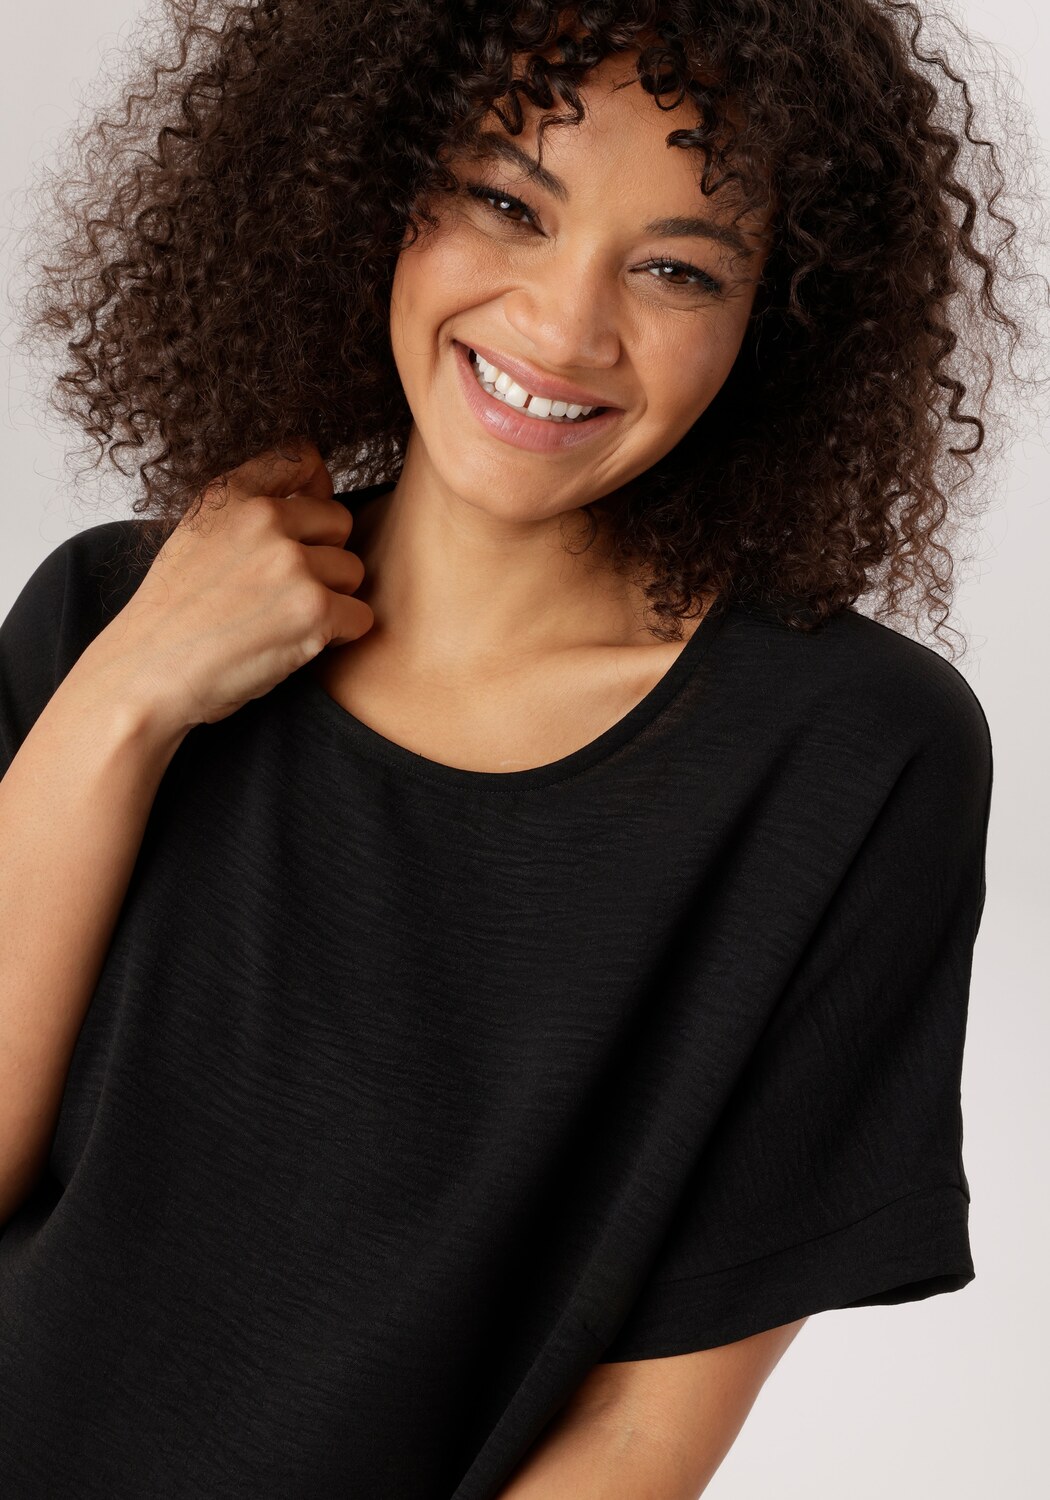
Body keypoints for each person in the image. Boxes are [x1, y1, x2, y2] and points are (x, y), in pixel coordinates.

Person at [0, 1, 1025, 1496]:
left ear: (781, 320)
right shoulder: (116, 612)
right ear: (374, 193)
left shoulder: (850, 761)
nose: (562, 328)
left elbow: (640, 1435)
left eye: (677, 268)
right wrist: (123, 704)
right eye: (506, 203)